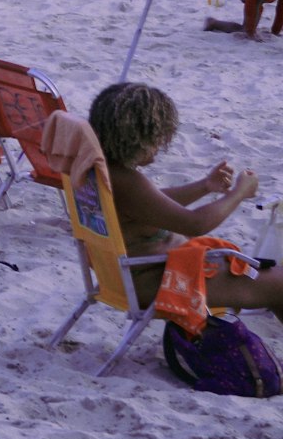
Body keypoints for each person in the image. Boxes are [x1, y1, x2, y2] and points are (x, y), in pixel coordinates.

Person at [89, 81, 283, 318]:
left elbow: (153, 204)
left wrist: (204, 186)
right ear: (139, 139)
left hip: (127, 277)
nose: (161, 146)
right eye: (158, 139)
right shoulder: (128, 183)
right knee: (279, 284)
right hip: (157, 283)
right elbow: (195, 224)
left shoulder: (101, 172)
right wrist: (239, 193)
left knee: (271, 279)